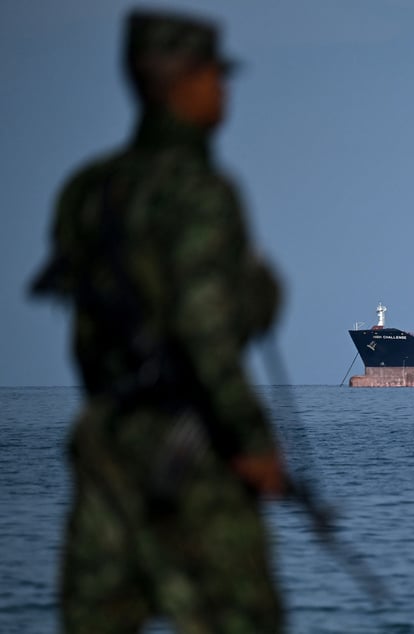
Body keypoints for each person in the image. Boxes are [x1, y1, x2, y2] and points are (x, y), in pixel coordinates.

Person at [30, 9, 286, 633]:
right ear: (186, 82)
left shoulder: (86, 190)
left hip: (103, 451)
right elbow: (205, 331)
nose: (224, 91)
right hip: (191, 451)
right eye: (215, 76)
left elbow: (78, 319)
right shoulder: (200, 191)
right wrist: (252, 441)